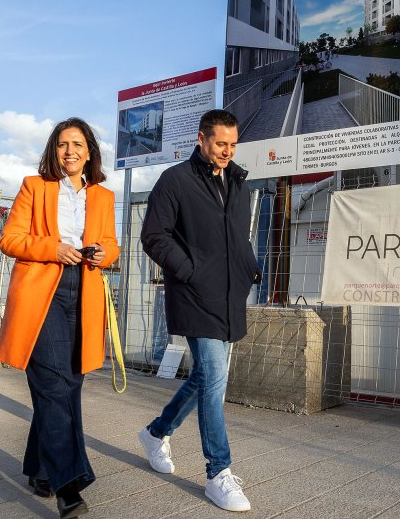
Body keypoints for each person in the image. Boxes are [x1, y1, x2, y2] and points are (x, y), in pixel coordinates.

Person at [0, 117, 119, 519]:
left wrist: (104, 254)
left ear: (89, 151)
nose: (70, 151)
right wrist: (54, 248)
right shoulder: (35, 186)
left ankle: (41, 470)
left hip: (84, 293)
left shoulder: (103, 196)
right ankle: (69, 485)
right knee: (54, 386)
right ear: (54, 149)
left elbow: (113, 244)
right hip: (41, 294)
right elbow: (9, 239)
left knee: (68, 385)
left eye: (78, 144)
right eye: (63, 144)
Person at [137, 109, 260, 513]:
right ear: (202, 139)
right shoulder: (175, 181)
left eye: (232, 144)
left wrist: (249, 267)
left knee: (210, 377)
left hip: (228, 296)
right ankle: (218, 473)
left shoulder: (237, 182)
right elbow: (154, 235)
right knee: (214, 381)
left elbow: (237, 237)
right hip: (194, 294)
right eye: (220, 143)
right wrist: (189, 270)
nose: (227, 151)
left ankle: (157, 432)